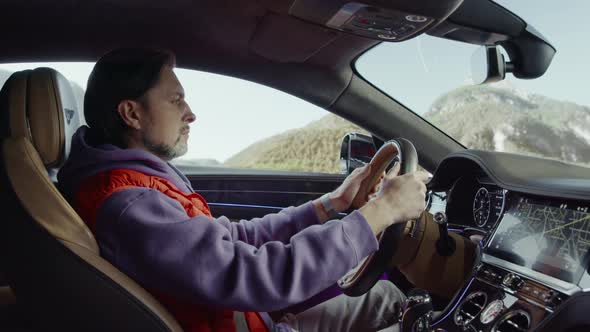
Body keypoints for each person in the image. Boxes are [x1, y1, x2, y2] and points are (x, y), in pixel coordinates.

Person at [57, 48, 429, 332]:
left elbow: (233, 238)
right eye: (175, 100)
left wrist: (333, 204)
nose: (190, 113)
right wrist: (382, 212)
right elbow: (252, 275)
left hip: (244, 318)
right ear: (132, 114)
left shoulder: (137, 186)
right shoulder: (129, 204)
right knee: (397, 306)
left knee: (386, 298)